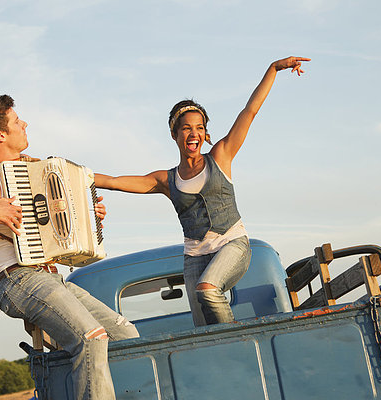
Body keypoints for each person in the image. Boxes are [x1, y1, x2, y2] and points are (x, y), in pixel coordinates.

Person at [0, 94, 139, 400]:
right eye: (16, 121)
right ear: (0, 134)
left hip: (51, 278)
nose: (24, 123)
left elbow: (64, 214)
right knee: (90, 338)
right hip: (16, 280)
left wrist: (90, 213)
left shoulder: (36, 169)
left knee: (125, 335)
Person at [95, 56, 310, 327]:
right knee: (203, 327)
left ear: (205, 133)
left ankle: (236, 340)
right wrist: (70, 172)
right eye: (186, 128)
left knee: (208, 289)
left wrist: (274, 69)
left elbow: (249, 111)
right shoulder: (166, 180)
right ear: (174, 135)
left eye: (199, 128)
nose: (193, 133)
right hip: (195, 256)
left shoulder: (220, 156)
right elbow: (114, 181)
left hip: (233, 243)